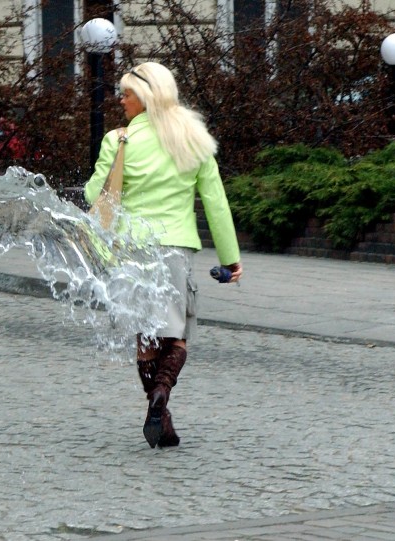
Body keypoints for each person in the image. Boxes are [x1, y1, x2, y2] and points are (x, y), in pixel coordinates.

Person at [83, 62, 243, 449]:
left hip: (127, 249)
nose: (121, 100)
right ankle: (163, 396)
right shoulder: (193, 138)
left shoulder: (118, 140)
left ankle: (160, 414)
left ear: (147, 96)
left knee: (147, 337)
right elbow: (216, 202)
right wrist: (230, 257)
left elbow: (94, 195)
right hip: (173, 247)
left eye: (127, 93)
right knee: (179, 334)